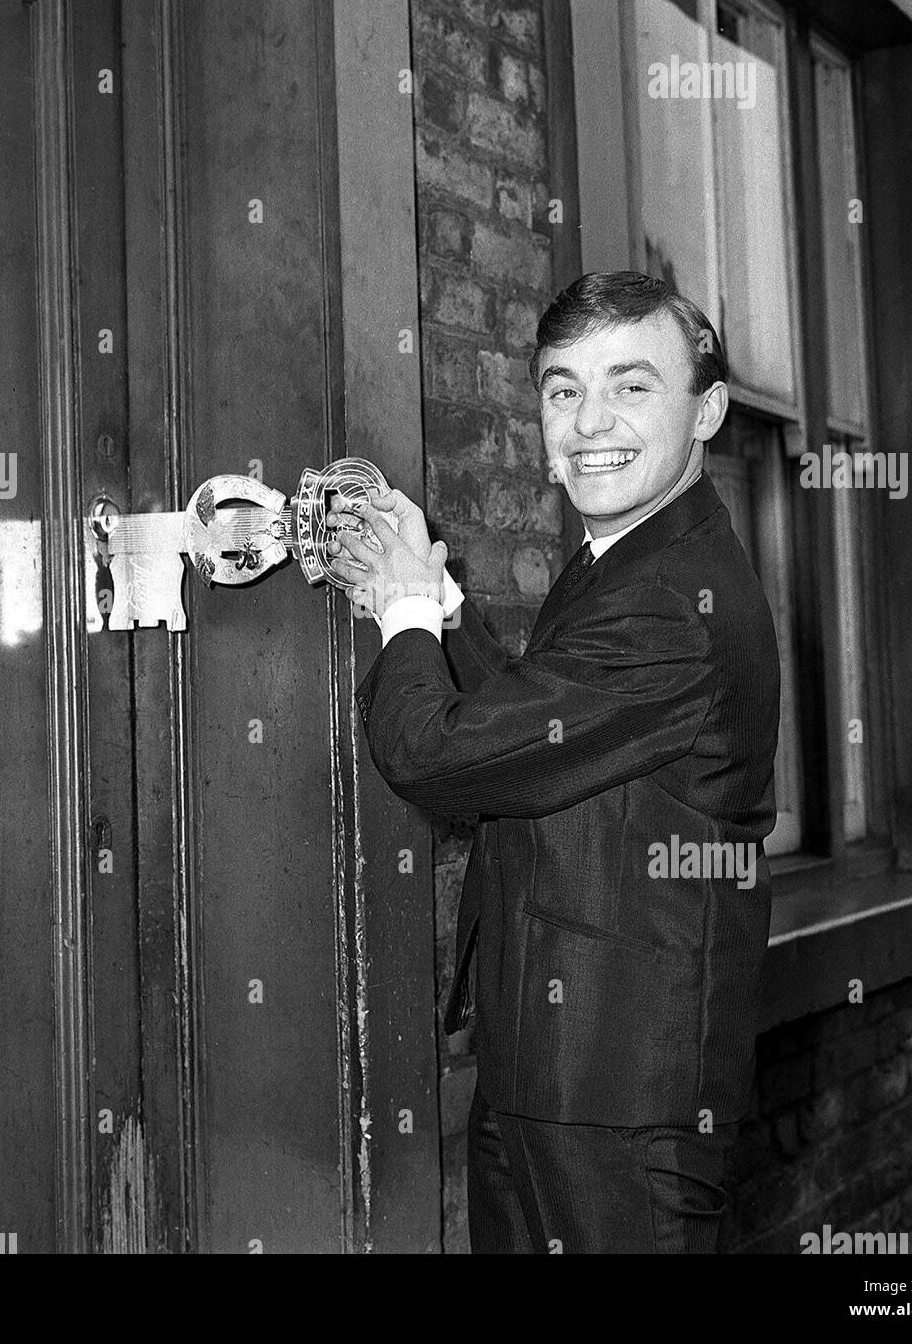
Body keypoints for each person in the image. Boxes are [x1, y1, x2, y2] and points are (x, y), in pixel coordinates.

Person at [328, 271, 780, 1254]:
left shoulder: (670, 604)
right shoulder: (625, 556)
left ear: (705, 409)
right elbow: (543, 724)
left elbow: (441, 754)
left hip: (617, 1088)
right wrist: (438, 603)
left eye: (630, 386)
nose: (588, 421)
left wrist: (401, 610)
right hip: (552, 1060)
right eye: (563, 389)